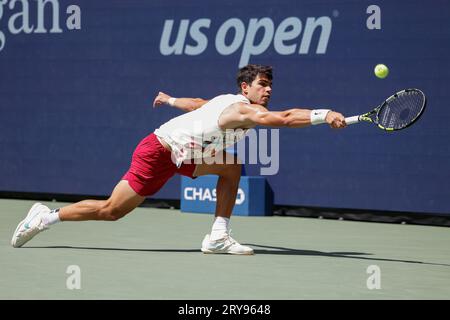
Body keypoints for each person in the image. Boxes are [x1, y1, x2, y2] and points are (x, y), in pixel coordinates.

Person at [11, 64, 347, 255]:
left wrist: (171, 99)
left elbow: (198, 102)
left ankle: (217, 236)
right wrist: (324, 113)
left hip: (183, 155)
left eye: (270, 85)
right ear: (246, 88)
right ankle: (45, 217)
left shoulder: (225, 99)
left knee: (231, 166)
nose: (268, 91)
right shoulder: (243, 109)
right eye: (262, 85)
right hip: (159, 151)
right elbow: (285, 118)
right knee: (111, 211)